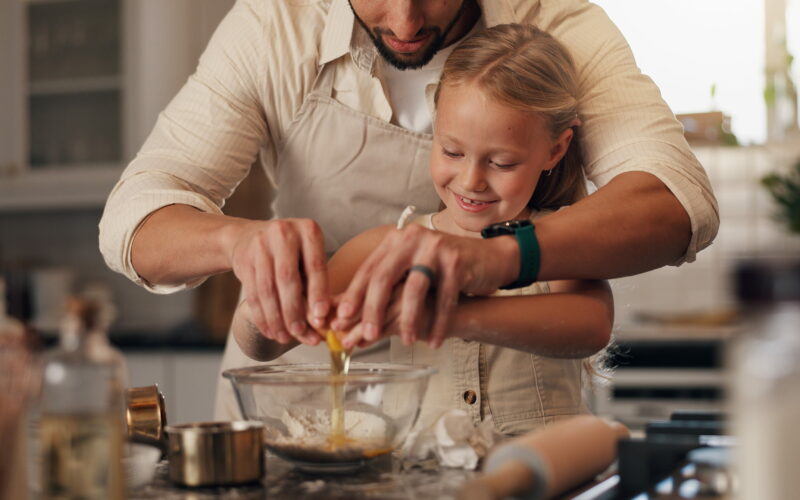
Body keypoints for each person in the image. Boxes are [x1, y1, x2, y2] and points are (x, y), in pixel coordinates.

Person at [97, 0, 718, 419]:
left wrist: (495, 259)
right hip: (304, 418)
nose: (404, 20)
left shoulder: (554, 18)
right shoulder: (273, 24)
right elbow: (137, 213)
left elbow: (675, 201)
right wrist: (243, 247)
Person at [232, 23, 614, 432]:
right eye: (451, 150)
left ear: (555, 149)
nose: (471, 181)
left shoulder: (560, 241)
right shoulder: (389, 248)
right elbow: (262, 344)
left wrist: (452, 315)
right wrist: (270, 298)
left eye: (502, 163)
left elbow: (590, 326)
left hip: (545, 480)